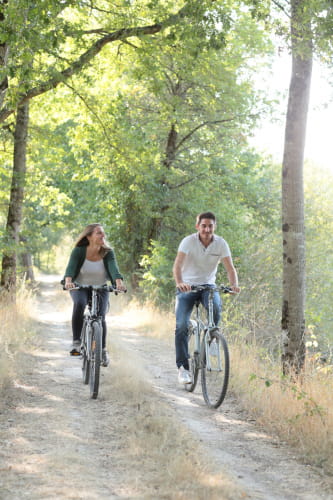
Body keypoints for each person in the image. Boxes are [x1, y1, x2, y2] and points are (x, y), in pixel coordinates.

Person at [173, 211, 240, 384]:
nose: (207, 229)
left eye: (210, 226)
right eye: (204, 225)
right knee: (181, 325)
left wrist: (234, 285)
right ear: (198, 227)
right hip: (187, 286)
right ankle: (183, 369)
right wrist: (180, 282)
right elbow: (178, 264)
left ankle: (211, 340)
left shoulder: (220, 243)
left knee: (216, 308)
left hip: (208, 286)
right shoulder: (188, 241)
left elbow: (230, 268)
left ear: (214, 227)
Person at [63, 223, 126, 366]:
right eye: (99, 233)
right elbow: (71, 268)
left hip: (100, 287)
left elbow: (114, 268)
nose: (103, 235)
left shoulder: (107, 252)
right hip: (79, 286)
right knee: (79, 303)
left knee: (100, 316)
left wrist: (119, 283)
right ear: (89, 236)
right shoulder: (79, 251)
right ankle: (76, 342)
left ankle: (102, 350)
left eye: (103, 233)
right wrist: (68, 282)